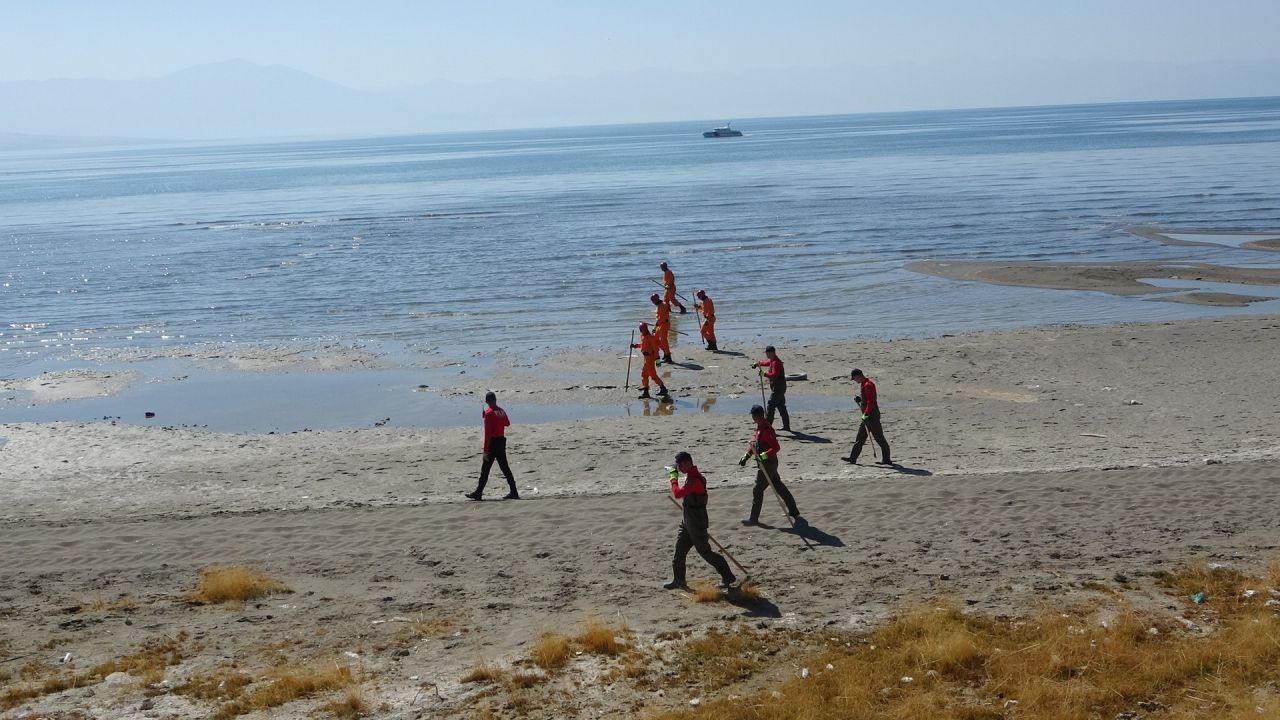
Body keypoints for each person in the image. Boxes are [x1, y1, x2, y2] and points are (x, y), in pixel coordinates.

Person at [663, 451, 736, 591]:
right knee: (679, 552)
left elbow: (678, 494)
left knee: (705, 552)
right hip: (687, 519)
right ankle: (679, 580)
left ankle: (728, 576)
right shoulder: (692, 476)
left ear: (688, 463)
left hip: (696, 521)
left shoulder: (695, 480)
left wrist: (673, 478)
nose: (679, 468)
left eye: (680, 465)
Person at [740, 405, 800, 525]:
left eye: (753, 415)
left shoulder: (767, 430)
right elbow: (755, 445)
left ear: (758, 416)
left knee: (758, 489)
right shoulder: (759, 428)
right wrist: (747, 455)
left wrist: (764, 456)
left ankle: (754, 518)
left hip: (768, 464)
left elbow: (776, 447)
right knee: (778, 485)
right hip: (766, 464)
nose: (752, 418)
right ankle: (793, 510)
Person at [464, 391, 519, 500]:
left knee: (485, 469)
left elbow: (487, 434)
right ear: (495, 400)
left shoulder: (488, 413)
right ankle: (514, 491)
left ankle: (478, 493)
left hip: (493, 443)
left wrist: (485, 451)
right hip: (501, 441)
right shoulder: (501, 411)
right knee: (505, 468)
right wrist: (495, 420)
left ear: (487, 402)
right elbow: (507, 423)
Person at [843, 368, 892, 465]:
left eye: (854, 378)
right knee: (860, 438)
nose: (855, 380)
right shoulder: (864, 384)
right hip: (867, 416)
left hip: (872, 416)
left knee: (879, 438)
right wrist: (859, 399)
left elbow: (871, 402)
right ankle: (852, 459)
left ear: (859, 376)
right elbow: (866, 398)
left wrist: (866, 414)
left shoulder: (868, 385)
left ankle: (886, 459)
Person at [751, 346, 790, 431]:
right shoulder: (773, 361)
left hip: (778, 388)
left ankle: (767, 427)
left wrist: (764, 374)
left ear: (772, 352)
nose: (767, 355)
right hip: (779, 388)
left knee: (771, 406)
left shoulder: (776, 362)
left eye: (767, 353)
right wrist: (758, 364)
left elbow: (774, 375)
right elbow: (766, 363)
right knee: (781, 406)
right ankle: (786, 426)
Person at [631, 322, 669, 400]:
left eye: (644, 329)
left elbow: (655, 349)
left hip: (650, 358)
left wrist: (657, 360)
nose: (643, 331)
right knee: (653, 375)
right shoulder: (643, 336)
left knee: (644, 374)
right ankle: (663, 388)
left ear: (646, 329)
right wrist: (635, 346)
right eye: (641, 330)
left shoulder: (651, 337)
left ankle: (646, 392)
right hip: (646, 358)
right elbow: (642, 344)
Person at [650, 293, 674, 364]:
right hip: (660, 325)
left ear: (656, 300)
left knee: (664, 340)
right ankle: (665, 352)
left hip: (664, 325)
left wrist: (655, 327)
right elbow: (659, 319)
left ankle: (668, 357)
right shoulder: (659, 305)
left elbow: (661, 319)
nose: (653, 302)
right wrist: (656, 327)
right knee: (655, 338)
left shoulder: (662, 306)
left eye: (653, 300)